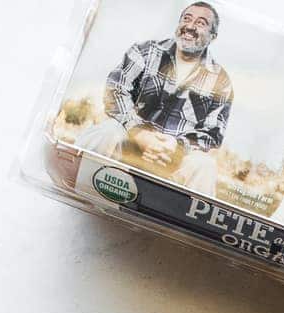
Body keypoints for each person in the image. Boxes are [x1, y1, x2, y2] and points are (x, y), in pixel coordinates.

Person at [85, 5, 233, 196]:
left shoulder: (220, 81)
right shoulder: (144, 52)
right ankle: (82, 181)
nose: (190, 26)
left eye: (200, 23)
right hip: (128, 141)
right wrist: (139, 133)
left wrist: (175, 146)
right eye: (186, 19)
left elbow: (213, 133)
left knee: (204, 165)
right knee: (107, 131)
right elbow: (116, 89)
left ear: (213, 36)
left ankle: (180, 222)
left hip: (175, 160)